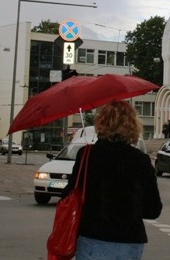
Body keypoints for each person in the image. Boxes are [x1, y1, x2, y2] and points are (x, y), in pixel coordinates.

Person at [61, 100, 162, 260]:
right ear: (133, 125)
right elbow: (153, 210)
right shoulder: (141, 160)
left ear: (101, 122)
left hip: (92, 238)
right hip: (129, 242)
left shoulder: (87, 155)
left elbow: (68, 195)